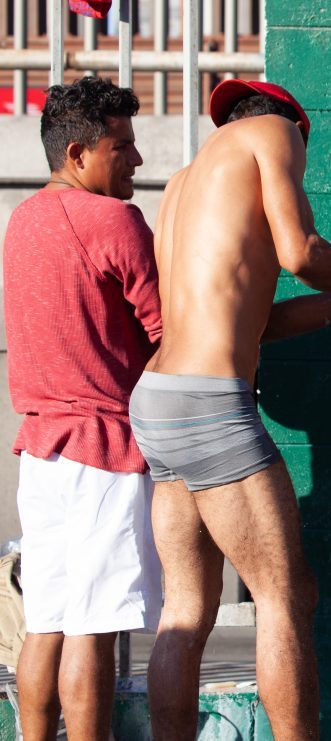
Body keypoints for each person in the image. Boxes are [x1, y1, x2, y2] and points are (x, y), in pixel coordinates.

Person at [128, 80, 331, 741]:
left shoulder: (186, 182)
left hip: (157, 401)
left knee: (186, 607)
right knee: (286, 597)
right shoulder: (276, 134)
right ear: (292, 125)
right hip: (211, 405)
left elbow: (257, 323)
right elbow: (301, 252)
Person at [4, 76, 160, 741]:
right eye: (121, 146)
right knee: (93, 632)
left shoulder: (21, 220)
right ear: (77, 154)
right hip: (105, 451)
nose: (136, 160)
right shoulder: (115, 220)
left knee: (46, 622)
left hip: (39, 451)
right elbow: (170, 331)